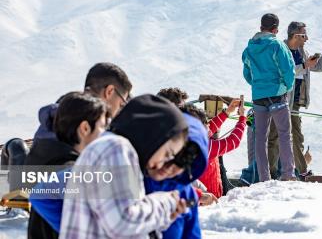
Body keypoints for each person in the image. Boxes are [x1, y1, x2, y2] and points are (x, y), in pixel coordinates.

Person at [59, 94, 189, 239]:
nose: (161, 163)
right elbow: (123, 223)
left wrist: (165, 217)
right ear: (155, 136)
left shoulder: (114, 149)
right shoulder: (116, 147)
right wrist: (165, 203)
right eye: (167, 153)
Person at [28, 92, 110, 239]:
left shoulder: (51, 158)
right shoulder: (73, 173)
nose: (106, 135)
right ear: (85, 128)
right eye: (102, 127)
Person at [268, 22, 322, 178]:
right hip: (280, 100)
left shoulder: (302, 52)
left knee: (297, 136)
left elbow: (319, 67)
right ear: (295, 35)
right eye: (304, 35)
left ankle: (302, 172)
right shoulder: (280, 50)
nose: (307, 38)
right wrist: (304, 65)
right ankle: (270, 173)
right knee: (275, 136)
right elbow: (283, 72)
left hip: (295, 102)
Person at [242, 13, 296, 181]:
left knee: (260, 138)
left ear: (260, 28)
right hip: (278, 95)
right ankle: (288, 173)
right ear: (276, 30)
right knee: (284, 134)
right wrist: (286, 87)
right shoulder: (278, 45)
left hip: (259, 97)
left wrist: (257, 86)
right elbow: (288, 70)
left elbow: (247, 73)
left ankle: (264, 178)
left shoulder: (249, 48)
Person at [144, 113, 209, 239]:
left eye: (182, 161)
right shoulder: (129, 179)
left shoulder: (186, 193)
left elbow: (192, 235)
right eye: (169, 154)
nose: (169, 166)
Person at [157, 87, 218, 206]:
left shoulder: (174, 137)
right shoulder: (158, 139)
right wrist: (199, 195)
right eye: (181, 110)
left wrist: (203, 192)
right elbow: (163, 180)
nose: (185, 114)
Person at [182, 100, 246, 198]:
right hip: (209, 195)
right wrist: (242, 119)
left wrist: (227, 112)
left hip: (197, 194)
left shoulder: (187, 141)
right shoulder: (207, 146)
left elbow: (211, 127)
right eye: (206, 123)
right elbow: (234, 141)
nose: (209, 125)